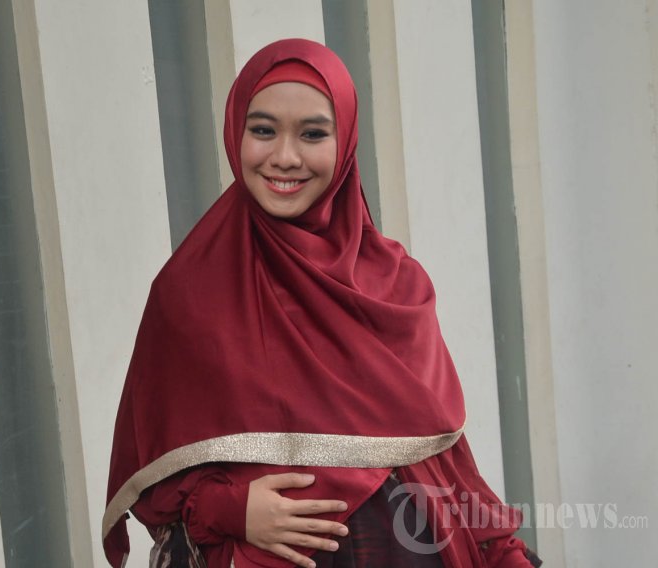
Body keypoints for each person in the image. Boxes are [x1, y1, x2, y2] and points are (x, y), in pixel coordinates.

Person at [103, 38, 541, 568]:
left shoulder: (397, 285)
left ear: (346, 140)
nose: (285, 157)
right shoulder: (188, 292)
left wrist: (504, 555)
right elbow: (157, 476)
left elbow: (448, 468)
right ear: (235, 132)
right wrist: (231, 509)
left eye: (312, 134)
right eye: (263, 130)